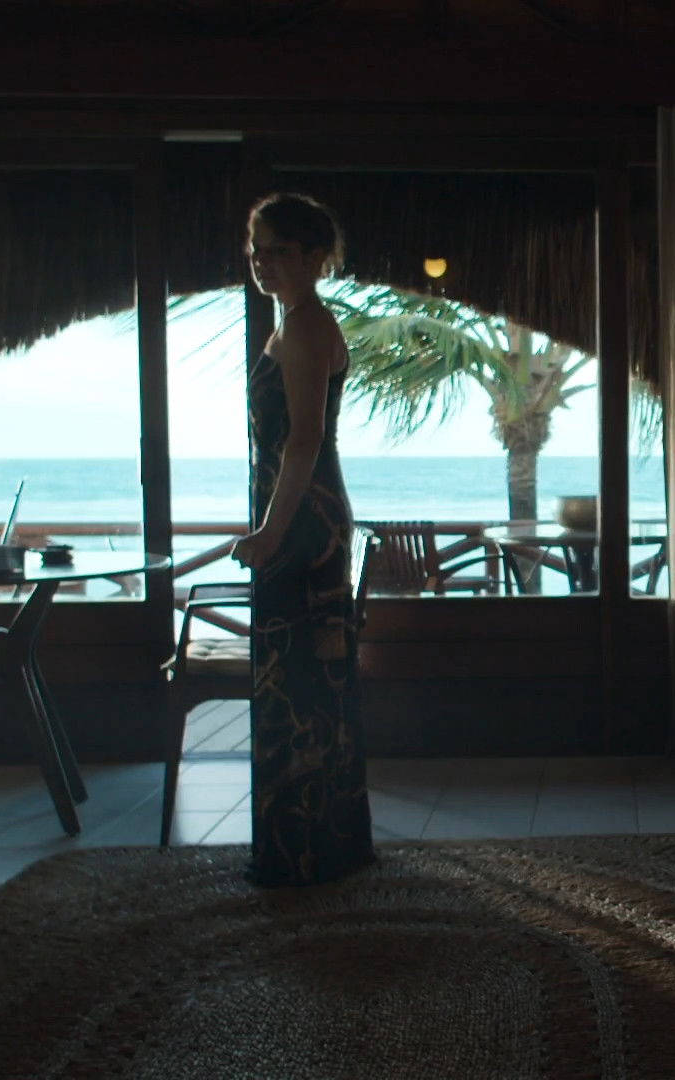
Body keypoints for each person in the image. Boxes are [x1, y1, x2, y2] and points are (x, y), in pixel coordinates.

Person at [230, 192, 375, 887]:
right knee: (297, 685)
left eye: (277, 250)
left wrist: (270, 531)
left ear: (316, 257)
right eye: (255, 250)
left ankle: (307, 853)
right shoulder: (293, 323)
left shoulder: (310, 324)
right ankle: (308, 848)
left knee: (301, 688)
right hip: (300, 516)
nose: (262, 262)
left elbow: (306, 439)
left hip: (304, 524)